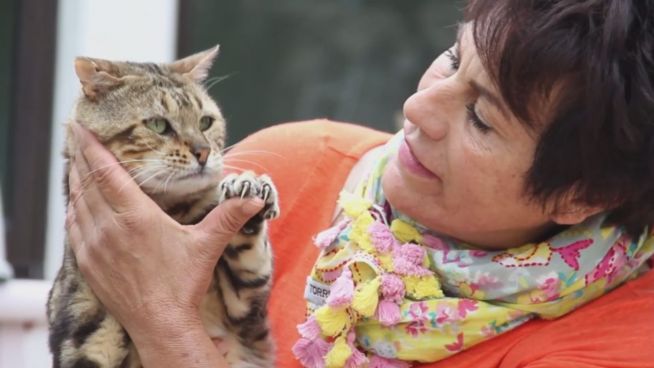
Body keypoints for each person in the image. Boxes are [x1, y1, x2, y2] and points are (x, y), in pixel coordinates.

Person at [66, 0, 654, 367]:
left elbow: (156, 313)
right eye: (451, 60)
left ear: (582, 196)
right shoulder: (293, 169)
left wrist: (167, 327)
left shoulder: (622, 344)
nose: (417, 107)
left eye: (481, 116)